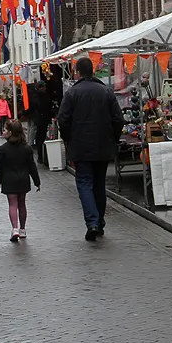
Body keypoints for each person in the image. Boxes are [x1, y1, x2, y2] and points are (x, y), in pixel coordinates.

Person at [57, 56, 123, 242]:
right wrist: (113, 138)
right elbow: (118, 119)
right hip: (103, 146)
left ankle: (92, 222)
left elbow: (63, 119)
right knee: (99, 185)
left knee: (85, 183)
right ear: (92, 71)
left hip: (80, 146)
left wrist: (69, 139)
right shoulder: (105, 91)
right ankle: (99, 221)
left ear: (77, 72)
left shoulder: (72, 93)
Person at [0, 119, 41, 242]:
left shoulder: (2, 149)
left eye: (5, 130)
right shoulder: (27, 149)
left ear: (10, 133)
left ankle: (15, 228)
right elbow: (32, 167)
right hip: (23, 179)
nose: (3, 132)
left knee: (12, 204)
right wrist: (37, 181)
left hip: (9, 180)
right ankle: (23, 229)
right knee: (22, 204)